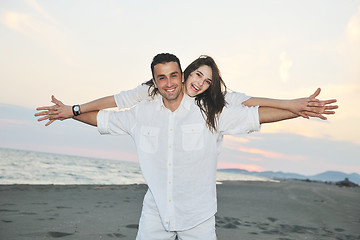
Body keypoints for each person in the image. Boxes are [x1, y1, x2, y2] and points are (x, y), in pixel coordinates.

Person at [35, 53, 337, 240]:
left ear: (181, 77)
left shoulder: (211, 110)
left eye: (174, 75)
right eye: (161, 77)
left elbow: (255, 113)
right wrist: (70, 113)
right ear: (154, 81)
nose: (169, 83)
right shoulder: (141, 112)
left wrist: (297, 108)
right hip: (155, 212)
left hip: (198, 216)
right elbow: (102, 118)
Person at [35, 55, 336, 127]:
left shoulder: (212, 102)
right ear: (187, 73)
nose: (200, 84)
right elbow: (114, 103)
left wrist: (294, 106)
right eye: (197, 76)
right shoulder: (154, 90)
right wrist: (72, 110)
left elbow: (250, 105)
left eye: (207, 81)